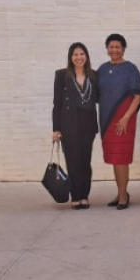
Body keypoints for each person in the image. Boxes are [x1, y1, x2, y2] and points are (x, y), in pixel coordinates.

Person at [97, 34, 140, 210]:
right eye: (111, 47)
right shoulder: (102, 69)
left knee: (121, 158)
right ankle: (120, 192)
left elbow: (138, 95)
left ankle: (124, 196)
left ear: (123, 49)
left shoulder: (130, 69)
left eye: (118, 47)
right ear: (107, 49)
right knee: (114, 158)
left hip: (124, 120)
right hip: (106, 119)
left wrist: (125, 117)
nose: (114, 50)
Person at [51, 42, 100, 210]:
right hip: (68, 123)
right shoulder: (62, 75)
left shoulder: (94, 75)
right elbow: (57, 103)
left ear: (86, 56)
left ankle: (84, 195)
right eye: (75, 54)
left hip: (88, 122)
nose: (79, 57)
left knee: (85, 161)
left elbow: (100, 97)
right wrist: (56, 128)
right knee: (73, 161)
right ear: (70, 57)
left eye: (82, 54)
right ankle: (76, 196)